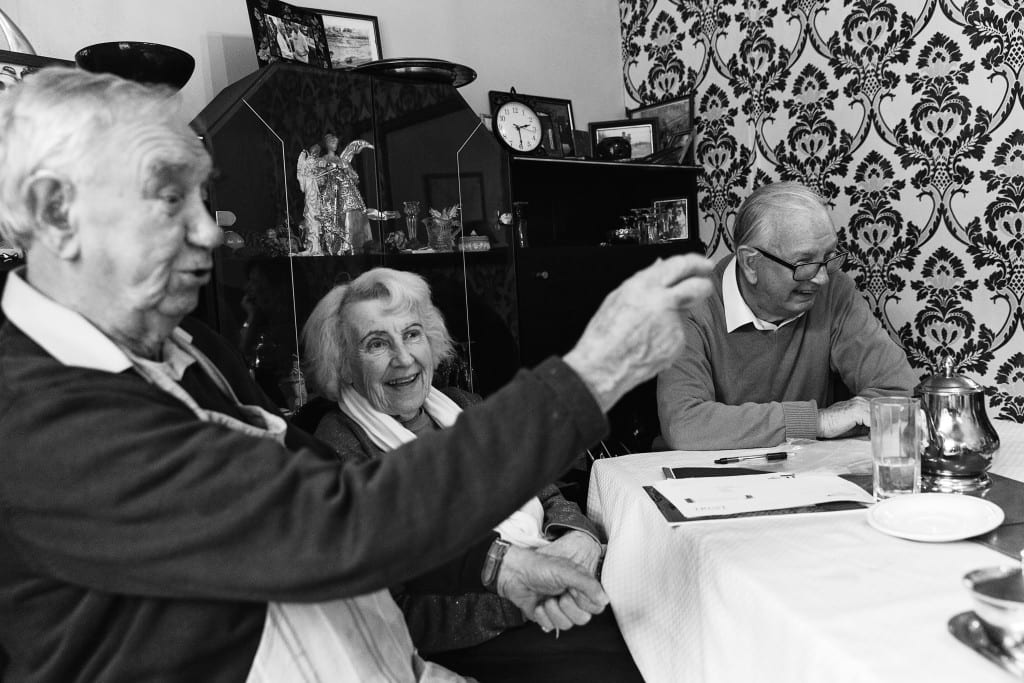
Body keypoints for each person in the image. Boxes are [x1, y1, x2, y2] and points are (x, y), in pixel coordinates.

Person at [0, 67, 714, 682]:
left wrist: (499, 565)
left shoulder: (194, 347)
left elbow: (323, 488)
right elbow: (334, 523)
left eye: (201, 196)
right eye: (167, 198)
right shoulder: (36, 417)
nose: (209, 229)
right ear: (56, 211)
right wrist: (593, 371)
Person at [301, 268, 643, 682]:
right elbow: (396, 611)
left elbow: (546, 492)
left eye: (412, 334)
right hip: (475, 644)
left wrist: (578, 537)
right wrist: (520, 592)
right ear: (344, 365)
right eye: (377, 343)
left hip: (549, 600)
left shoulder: (463, 405)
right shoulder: (338, 449)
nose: (404, 358)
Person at [657, 181, 917, 450]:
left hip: (806, 470)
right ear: (750, 263)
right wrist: (818, 421)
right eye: (804, 263)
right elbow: (684, 424)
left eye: (829, 257)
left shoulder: (835, 292)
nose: (822, 278)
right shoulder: (686, 308)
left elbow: (901, 393)